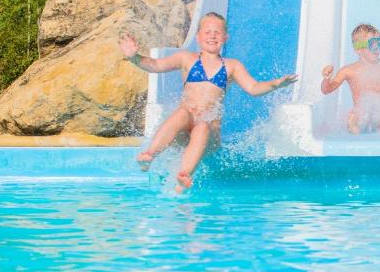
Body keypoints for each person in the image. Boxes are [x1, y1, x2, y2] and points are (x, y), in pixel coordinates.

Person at [119, 12, 297, 192]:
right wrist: (134, 57)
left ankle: (184, 176)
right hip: (184, 130)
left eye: (217, 32)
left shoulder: (232, 66)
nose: (212, 35)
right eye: (207, 32)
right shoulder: (186, 58)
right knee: (182, 112)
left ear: (225, 38)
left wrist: (276, 84)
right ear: (198, 36)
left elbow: (253, 88)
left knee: (203, 125)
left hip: (209, 135)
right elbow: (155, 65)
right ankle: (149, 155)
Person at [321, 23, 380, 134]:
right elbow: (326, 90)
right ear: (358, 49)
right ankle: (355, 126)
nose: (377, 48)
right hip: (361, 115)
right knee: (352, 117)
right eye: (372, 44)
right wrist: (326, 78)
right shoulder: (348, 70)